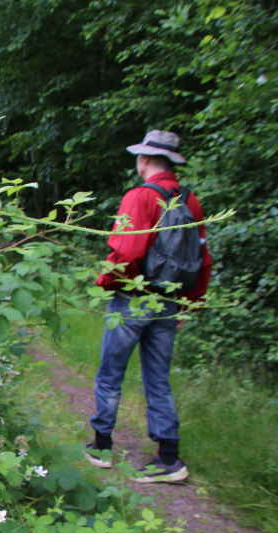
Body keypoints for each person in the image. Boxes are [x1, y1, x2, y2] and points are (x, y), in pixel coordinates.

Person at [85, 130, 213, 483]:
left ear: (143, 160)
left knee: (111, 374)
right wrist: (190, 305)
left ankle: (102, 447)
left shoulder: (139, 197)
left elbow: (126, 253)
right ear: (172, 162)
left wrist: (105, 284)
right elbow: (203, 260)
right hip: (170, 303)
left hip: (132, 299)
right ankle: (169, 459)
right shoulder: (192, 201)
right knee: (158, 378)